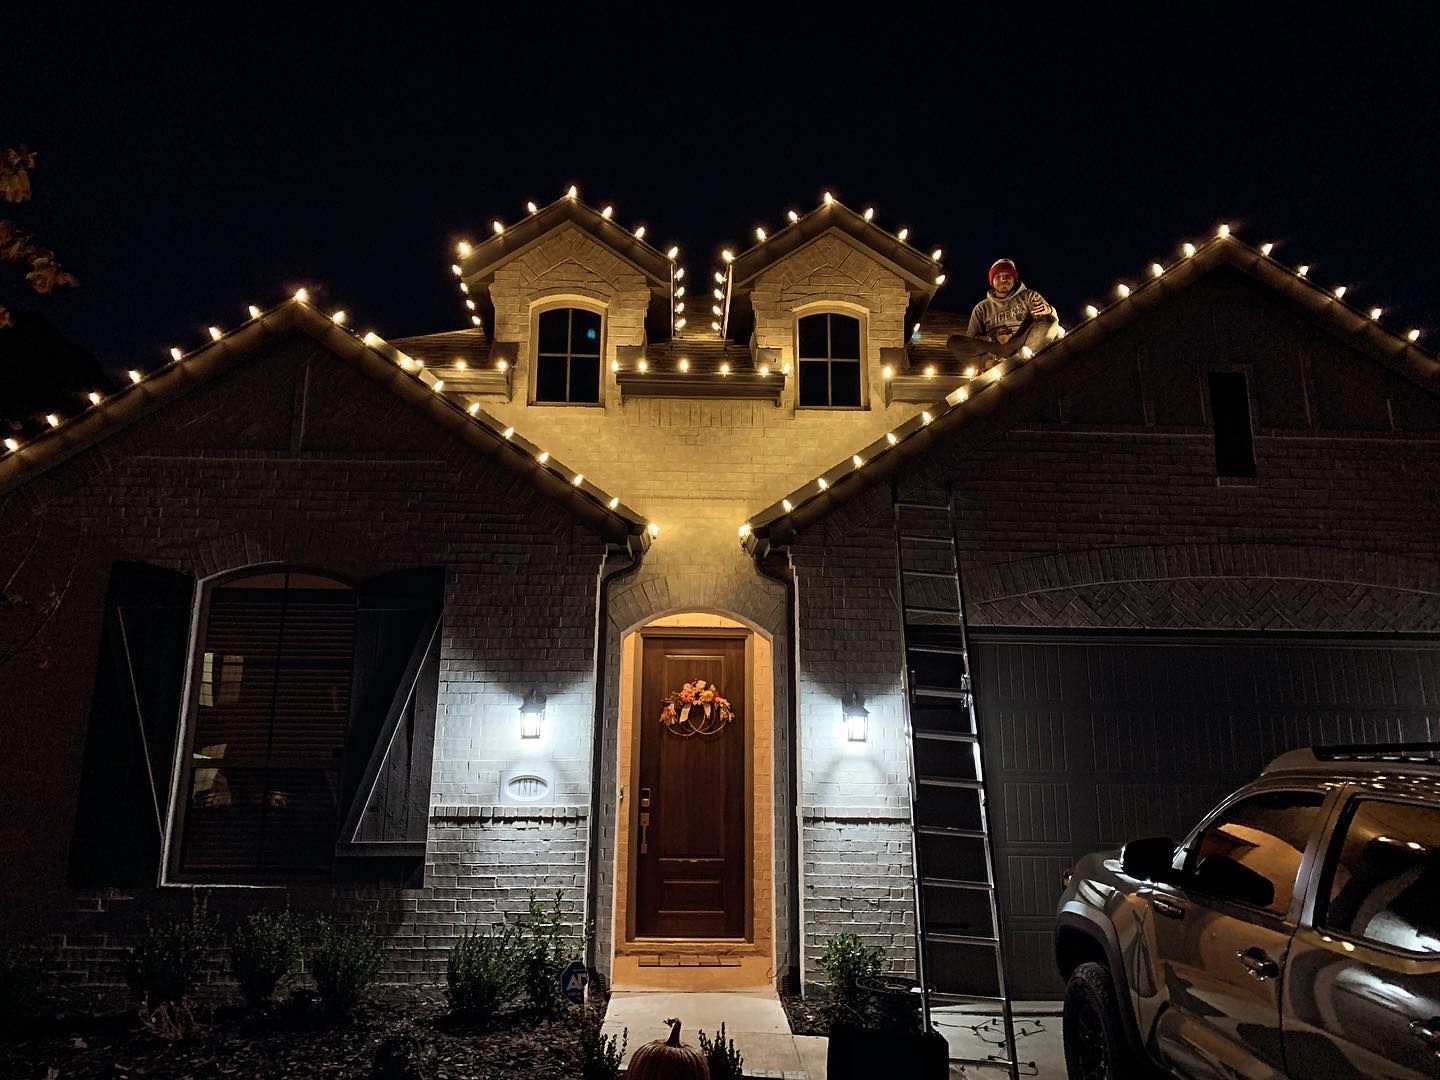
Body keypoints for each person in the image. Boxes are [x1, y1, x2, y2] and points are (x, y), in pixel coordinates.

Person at [946, 258, 1059, 368]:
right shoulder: (981, 308)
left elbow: (1046, 322)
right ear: (992, 282)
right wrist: (993, 337)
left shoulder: (1028, 295)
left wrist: (1048, 310)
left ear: (1014, 279)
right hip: (995, 349)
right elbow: (972, 338)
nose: (1003, 279)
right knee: (954, 342)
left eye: (1007, 276)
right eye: (998, 276)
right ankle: (991, 364)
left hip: (1023, 342)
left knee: (1048, 320)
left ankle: (1024, 356)